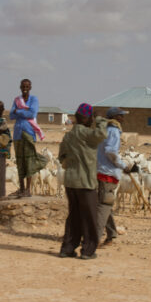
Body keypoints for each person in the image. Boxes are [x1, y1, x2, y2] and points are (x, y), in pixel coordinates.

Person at [58, 103, 108, 260]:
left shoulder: (68, 136)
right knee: (89, 217)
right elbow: (101, 134)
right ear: (86, 119)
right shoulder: (88, 134)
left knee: (73, 216)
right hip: (85, 182)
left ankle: (67, 248)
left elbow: (62, 157)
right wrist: (100, 118)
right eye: (91, 117)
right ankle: (88, 250)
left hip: (70, 182)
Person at [96, 107, 135, 247]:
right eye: (121, 116)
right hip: (108, 173)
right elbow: (111, 152)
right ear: (116, 117)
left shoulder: (104, 129)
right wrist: (124, 166)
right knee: (103, 206)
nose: (123, 119)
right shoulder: (113, 131)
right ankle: (96, 238)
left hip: (101, 171)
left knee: (105, 204)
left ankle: (111, 234)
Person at [9, 78, 47, 197]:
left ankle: (28, 189)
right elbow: (10, 115)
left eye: (27, 86)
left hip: (29, 133)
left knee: (29, 160)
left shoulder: (34, 99)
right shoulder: (17, 100)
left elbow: (32, 113)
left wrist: (18, 111)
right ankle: (21, 188)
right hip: (17, 134)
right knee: (20, 161)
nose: (25, 88)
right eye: (23, 86)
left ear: (30, 88)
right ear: (20, 87)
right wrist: (22, 110)